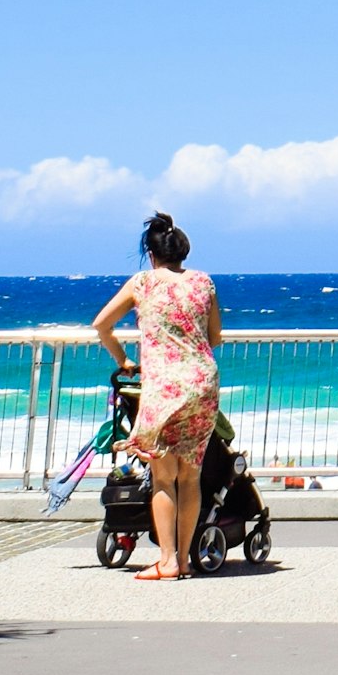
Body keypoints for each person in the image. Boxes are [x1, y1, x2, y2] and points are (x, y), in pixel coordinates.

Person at [91, 212, 221, 580]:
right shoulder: (203, 282)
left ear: (151, 253)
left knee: (163, 478)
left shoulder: (143, 283)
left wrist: (123, 358)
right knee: (190, 477)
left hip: (164, 386)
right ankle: (186, 559)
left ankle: (168, 561)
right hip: (201, 382)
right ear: (182, 252)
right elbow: (214, 337)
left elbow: (102, 324)